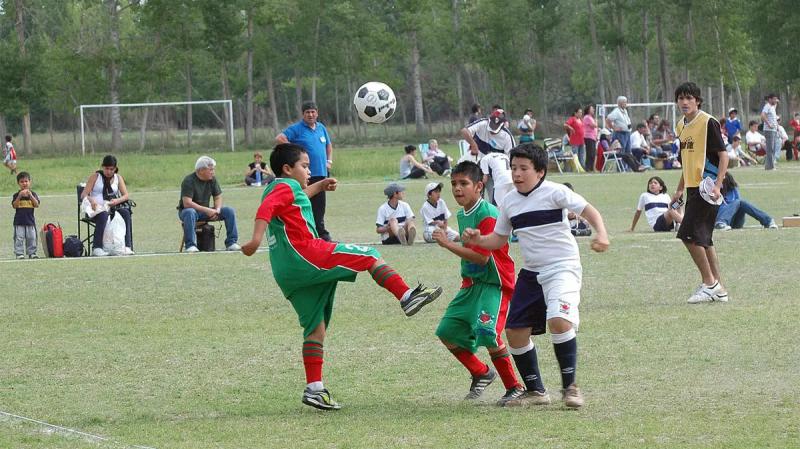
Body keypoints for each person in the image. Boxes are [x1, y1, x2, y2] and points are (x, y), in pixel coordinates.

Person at [240, 143, 443, 411]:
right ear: (287, 169)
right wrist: (255, 240)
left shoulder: (283, 187)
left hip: (286, 270)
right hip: (305, 255)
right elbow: (267, 208)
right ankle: (406, 296)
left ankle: (315, 389)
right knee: (369, 254)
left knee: (315, 327)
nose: (309, 170)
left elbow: (291, 196)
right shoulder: (282, 187)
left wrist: (320, 185)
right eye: (304, 166)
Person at [462, 143, 610, 408]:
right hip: (531, 273)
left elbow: (590, 210)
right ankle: (536, 391)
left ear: (540, 172)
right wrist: (478, 239)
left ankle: (570, 388)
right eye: (513, 168)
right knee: (515, 332)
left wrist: (601, 233)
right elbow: (498, 239)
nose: (516, 174)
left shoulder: (555, 192)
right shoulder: (509, 201)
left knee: (559, 320)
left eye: (523, 169)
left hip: (562, 267)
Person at [431, 161, 524, 405]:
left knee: (488, 332)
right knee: (447, 331)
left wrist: (447, 244)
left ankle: (514, 387)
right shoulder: (463, 214)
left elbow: (483, 258)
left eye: (464, 183)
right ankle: (481, 372)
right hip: (471, 284)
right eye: (454, 184)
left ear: (479, 186)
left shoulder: (489, 214)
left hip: (494, 283)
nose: (457, 189)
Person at [671, 81, 729, 304]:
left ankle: (709, 284)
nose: (684, 102)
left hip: (707, 189)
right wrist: (679, 189)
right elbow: (686, 162)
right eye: (681, 98)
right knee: (705, 240)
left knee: (687, 235)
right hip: (692, 187)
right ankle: (719, 288)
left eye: (689, 98)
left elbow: (723, 156)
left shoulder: (708, 122)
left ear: (697, 100)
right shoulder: (680, 126)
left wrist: (717, 184)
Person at [276, 101, 334, 241]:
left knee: (320, 206)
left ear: (317, 113)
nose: (310, 114)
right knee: (305, 203)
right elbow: (279, 138)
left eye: (313, 112)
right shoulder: (297, 128)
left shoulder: (321, 128)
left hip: (321, 172)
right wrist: (295, 152)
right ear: (303, 114)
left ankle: (320, 232)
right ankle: (309, 232)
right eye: (307, 112)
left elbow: (328, 145)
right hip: (306, 175)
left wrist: (329, 161)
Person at [178, 156, 239, 253]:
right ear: (201, 170)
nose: (213, 172)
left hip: (205, 211)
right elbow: (187, 203)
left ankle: (231, 243)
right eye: (210, 170)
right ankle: (190, 246)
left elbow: (218, 197)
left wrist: (217, 210)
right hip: (188, 211)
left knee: (229, 211)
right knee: (190, 212)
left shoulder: (212, 179)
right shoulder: (189, 180)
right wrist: (208, 210)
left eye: (213, 169)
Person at [81, 155, 134, 256]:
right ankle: (97, 247)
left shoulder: (118, 178)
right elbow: (84, 194)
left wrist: (117, 201)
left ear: (115, 169)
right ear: (102, 167)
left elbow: (126, 195)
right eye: (106, 168)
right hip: (96, 209)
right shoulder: (95, 177)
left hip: (112, 206)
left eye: (111, 169)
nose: (108, 171)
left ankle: (127, 246)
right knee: (103, 214)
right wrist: (92, 200)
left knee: (126, 213)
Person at [11, 171, 39, 259]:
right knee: (19, 238)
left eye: (26, 181)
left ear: (29, 182)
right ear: (18, 183)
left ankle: (32, 253)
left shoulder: (33, 194)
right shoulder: (16, 195)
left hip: (30, 221)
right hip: (19, 222)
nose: (24, 183)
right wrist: (19, 196)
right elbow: (15, 205)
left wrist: (30, 196)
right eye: (22, 182)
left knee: (32, 237)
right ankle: (19, 253)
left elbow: (36, 204)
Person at [760, 93, 780, 170]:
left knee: (773, 148)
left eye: (776, 99)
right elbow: (762, 115)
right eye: (774, 99)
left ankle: (769, 166)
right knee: (770, 149)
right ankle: (770, 167)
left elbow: (774, 118)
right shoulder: (767, 106)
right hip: (769, 130)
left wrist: (777, 127)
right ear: (770, 99)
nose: (775, 100)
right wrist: (768, 124)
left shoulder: (772, 107)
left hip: (773, 130)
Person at [582, 105, 598, 172]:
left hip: (593, 137)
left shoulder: (591, 117)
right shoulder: (587, 117)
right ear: (588, 110)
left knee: (593, 153)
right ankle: (588, 167)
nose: (593, 110)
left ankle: (591, 167)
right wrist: (596, 122)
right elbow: (594, 125)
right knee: (590, 153)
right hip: (588, 137)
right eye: (592, 109)